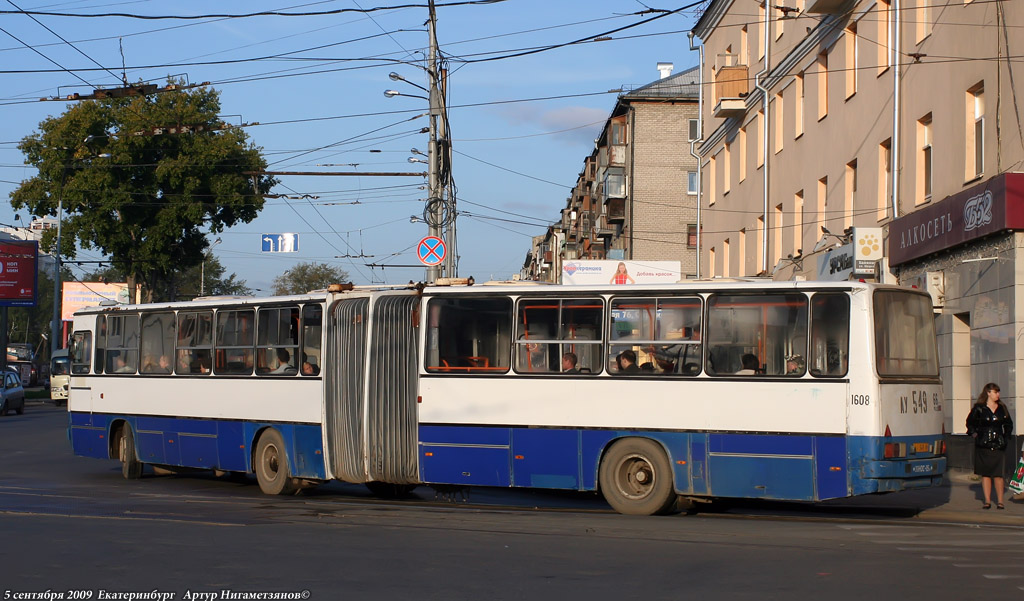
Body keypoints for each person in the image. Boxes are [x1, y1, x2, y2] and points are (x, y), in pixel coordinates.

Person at [966, 382, 1013, 509]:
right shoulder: (979, 408)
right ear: (988, 393)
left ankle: (1000, 501)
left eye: (998, 392)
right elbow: (970, 423)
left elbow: (1009, 423)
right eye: (995, 392)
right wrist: (974, 433)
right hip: (983, 445)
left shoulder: (1002, 408)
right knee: (986, 474)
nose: (998, 394)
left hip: (998, 445)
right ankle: (987, 501)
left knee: (998, 475)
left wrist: (1006, 435)